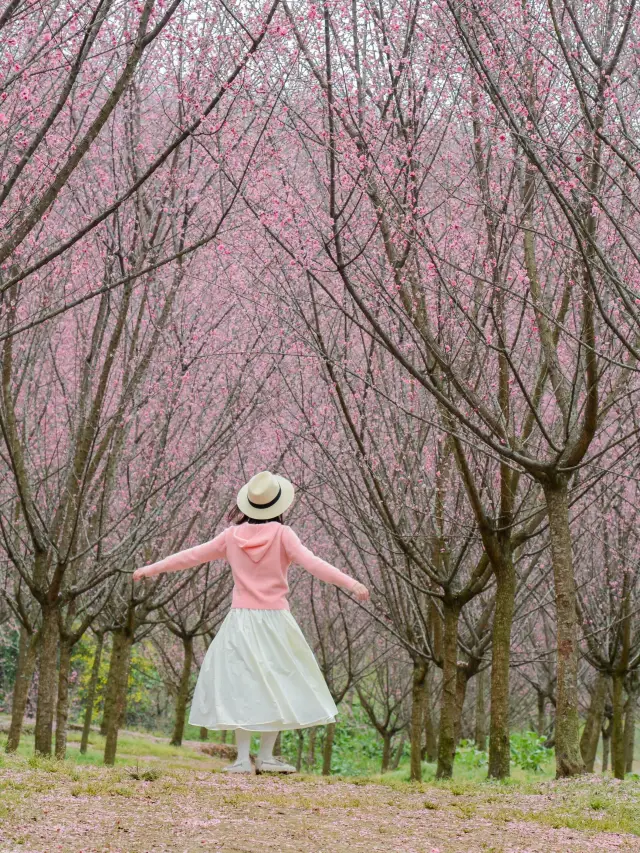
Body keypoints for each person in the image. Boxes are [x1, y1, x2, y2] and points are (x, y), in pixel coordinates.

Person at [133, 470, 370, 774]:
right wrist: (352, 584)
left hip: (241, 621)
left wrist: (149, 569)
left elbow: (189, 556)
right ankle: (267, 757)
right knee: (277, 684)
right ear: (278, 505)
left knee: (242, 686)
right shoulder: (284, 535)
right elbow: (315, 564)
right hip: (276, 622)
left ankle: (243, 759)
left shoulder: (231, 537)